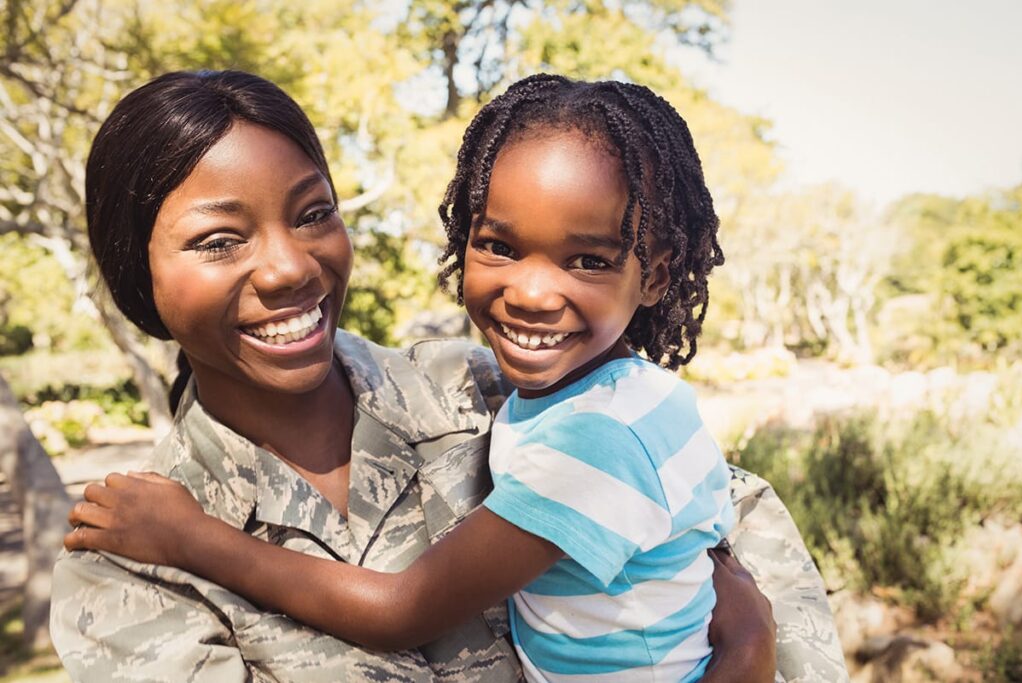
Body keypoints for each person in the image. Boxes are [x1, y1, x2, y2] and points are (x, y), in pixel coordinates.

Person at [52, 70, 848, 682]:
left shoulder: (495, 389)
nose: (291, 266)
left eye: (312, 213)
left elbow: (731, 530)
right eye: (219, 240)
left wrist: (753, 649)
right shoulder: (130, 559)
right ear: (136, 274)